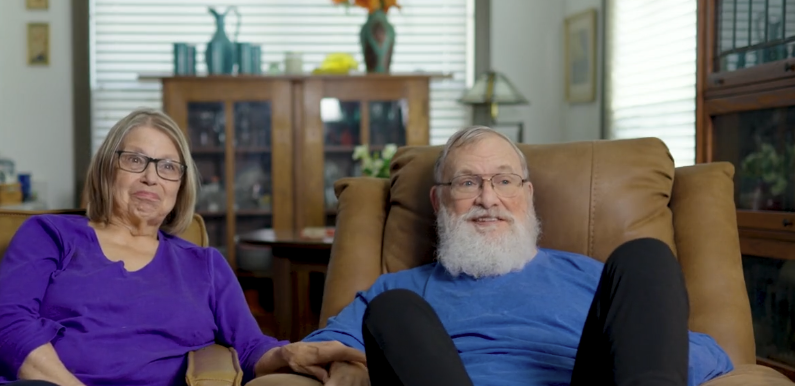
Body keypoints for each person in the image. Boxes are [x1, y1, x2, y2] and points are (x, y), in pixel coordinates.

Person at [304, 126, 735, 386]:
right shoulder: (400, 288)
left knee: (646, 257)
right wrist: (349, 365)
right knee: (392, 310)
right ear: (438, 201)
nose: (488, 198)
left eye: (505, 181)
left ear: (527, 196)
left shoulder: (596, 278)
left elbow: (711, 354)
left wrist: (630, 362)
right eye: (468, 183)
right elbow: (307, 353)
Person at [0, 109, 363, 386]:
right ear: (108, 167)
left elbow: (249, 347)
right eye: (135, 160)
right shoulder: (49, 234)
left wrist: (290, 353)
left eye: (167, 167)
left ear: (180, 186)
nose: (150, 177)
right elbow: (8, 325)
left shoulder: (204, 265)